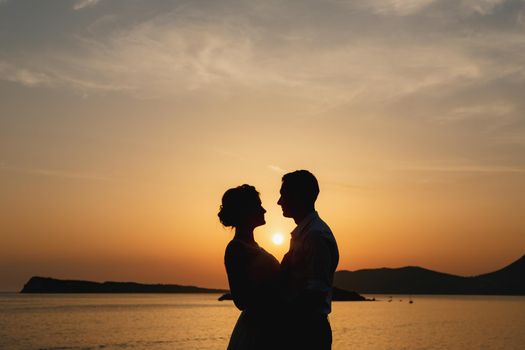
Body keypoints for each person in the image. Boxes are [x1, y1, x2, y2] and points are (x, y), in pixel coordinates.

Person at [278, 170, 339, 350]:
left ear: (298, 196)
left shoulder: (314, 236)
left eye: (284, 195)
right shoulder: (306, 233)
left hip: (308, 332)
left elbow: (316, 290)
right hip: (303, 328)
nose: (279, 202)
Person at [218, 184, 281, 350]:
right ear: (246, 211)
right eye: (258, 206)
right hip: (256, 332)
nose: (264, 210)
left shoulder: (253, 246)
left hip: (267, 327)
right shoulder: (236, 249)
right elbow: (241, 300)